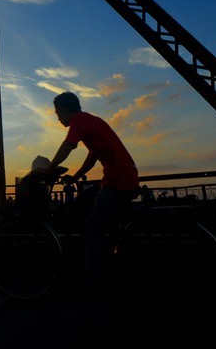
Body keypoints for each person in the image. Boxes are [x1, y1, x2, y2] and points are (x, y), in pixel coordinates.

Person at [37, 91, 140, 294]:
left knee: (93, 227)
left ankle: (92, 282)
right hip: (124, 176)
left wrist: (50, 169)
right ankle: (112, 260)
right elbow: (93, 155)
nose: (58, 117)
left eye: (58, 113)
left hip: (117, 181)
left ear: (66, 110)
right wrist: (75, 177)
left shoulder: (79, 121)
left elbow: (68, 146)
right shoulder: (90, 121)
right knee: (89, 207)